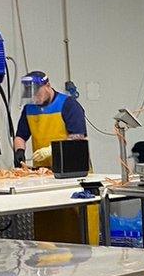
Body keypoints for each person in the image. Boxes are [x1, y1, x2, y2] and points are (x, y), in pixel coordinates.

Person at [11, 71, 99, 245]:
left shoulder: (68, 105)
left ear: (48, 86)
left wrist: (51, 150)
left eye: (37, 93)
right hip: (44, 177)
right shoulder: (29, 109)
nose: (35, 98)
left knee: (77, 227)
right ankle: (48, 265)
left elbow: (78, 137)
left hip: (73, 175)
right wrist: (19, 151)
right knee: (48, 230)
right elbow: (21, 135)